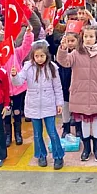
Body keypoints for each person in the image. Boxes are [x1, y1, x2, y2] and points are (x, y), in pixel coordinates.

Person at [56, 24, 97, 163]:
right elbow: (64, 61)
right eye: (86, 36)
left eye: (91, 36)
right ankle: (87, 149)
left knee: (96, 123)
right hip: (80, 95)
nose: (88, 39)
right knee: (85, 124)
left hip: (96, 94)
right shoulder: (76, 53)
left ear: (96, 38)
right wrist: (63, 49)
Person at [11, 41, 65, 170]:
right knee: (37, 133)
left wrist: (59, 103)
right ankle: (41, 155)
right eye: (37, 56)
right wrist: (14, 75)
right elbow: (18, 82)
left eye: (42, 56)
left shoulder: (52, 68)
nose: (39, 59)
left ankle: (58, 156)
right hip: (33, 105)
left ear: (46, 55)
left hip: (49, 105)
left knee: (52, 132)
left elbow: (57, 87)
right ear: (33, 56)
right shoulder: (28, 67)